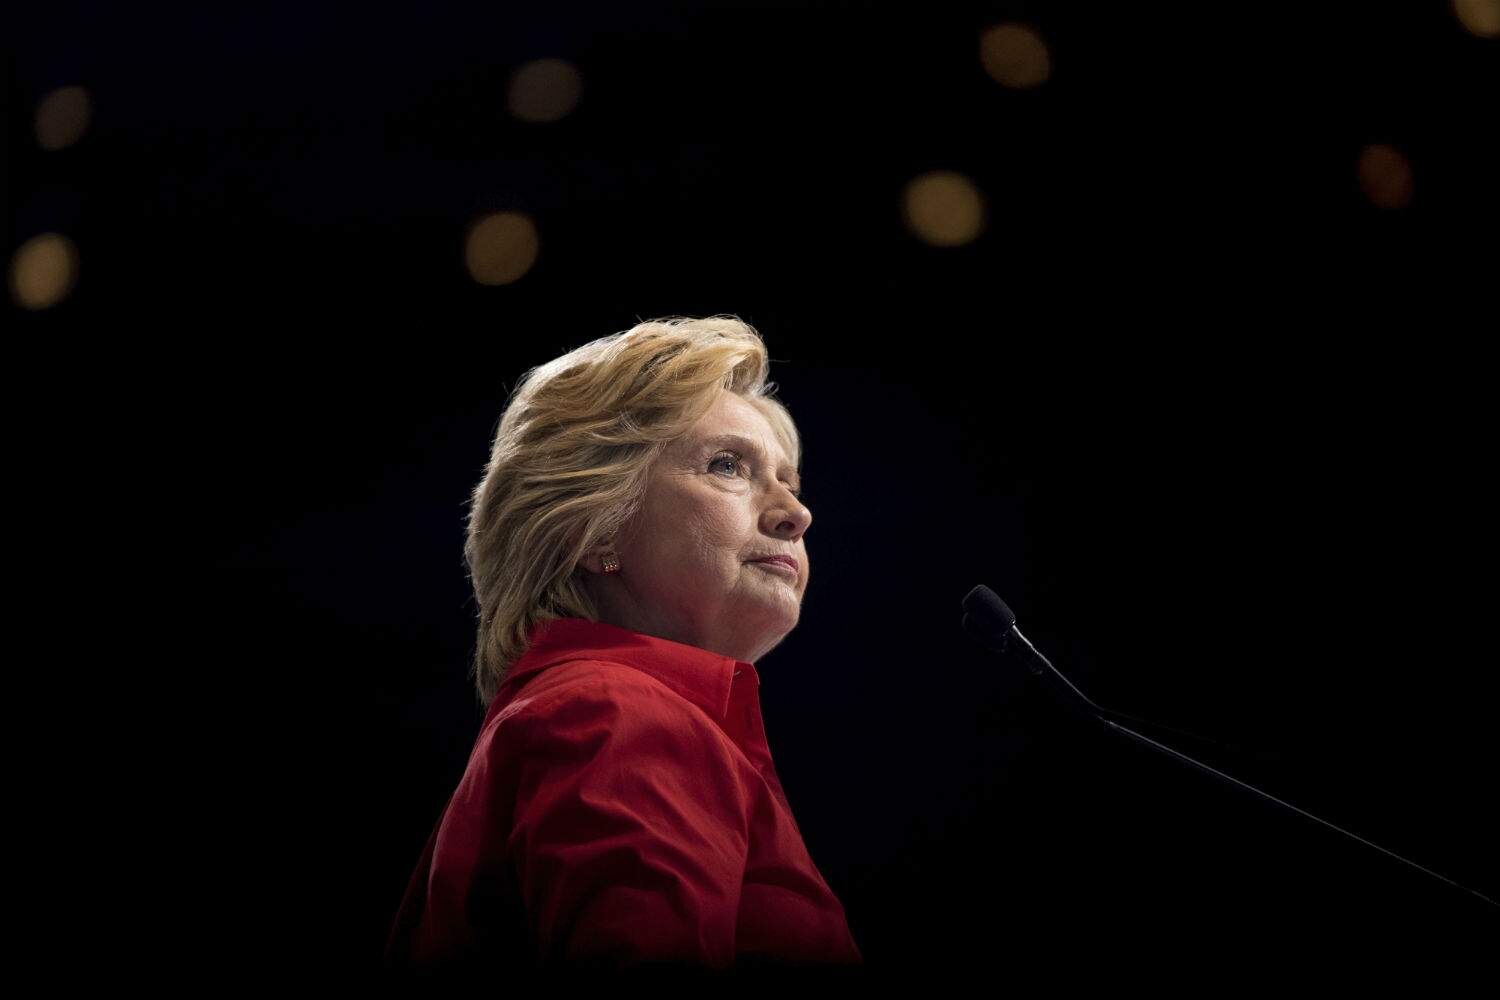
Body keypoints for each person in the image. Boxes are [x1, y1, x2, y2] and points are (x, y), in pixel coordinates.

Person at [383, 315, 864, 981]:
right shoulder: (613, 711)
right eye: (728, 466)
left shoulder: (594, 710)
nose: (795, 512)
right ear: (595, 532)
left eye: (790, 480)